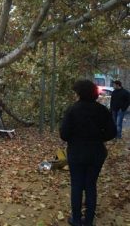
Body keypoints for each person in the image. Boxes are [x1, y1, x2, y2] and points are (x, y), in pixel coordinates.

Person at [60, 80, 116, 226]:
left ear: (79, 93)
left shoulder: (72, 110)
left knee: (77, 185)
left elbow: (64, 134)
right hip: (96, 152)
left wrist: (76, 137)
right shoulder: (102, 110)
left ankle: (76, 219)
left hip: (76, 152)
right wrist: (98, 138)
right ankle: (89, 220)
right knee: (91, 185)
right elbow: (112, 132)